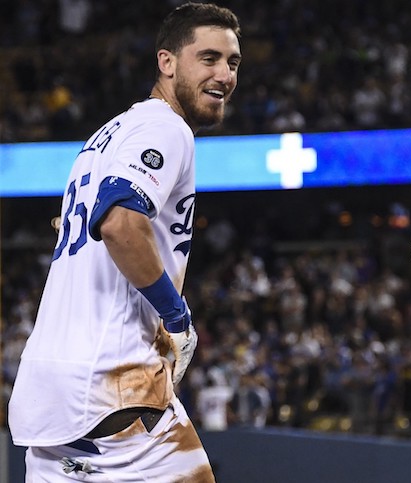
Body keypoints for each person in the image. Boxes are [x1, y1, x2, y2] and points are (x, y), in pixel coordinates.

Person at [8, 3, 242, 481]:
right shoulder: (166, 128)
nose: (224, 74)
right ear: (167, 62)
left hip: (47, 393)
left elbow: (85, 223)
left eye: (233, 63)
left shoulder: (105, 136)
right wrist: (177, 316)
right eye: (209, 58)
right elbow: (118, 224)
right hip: (110, 383)